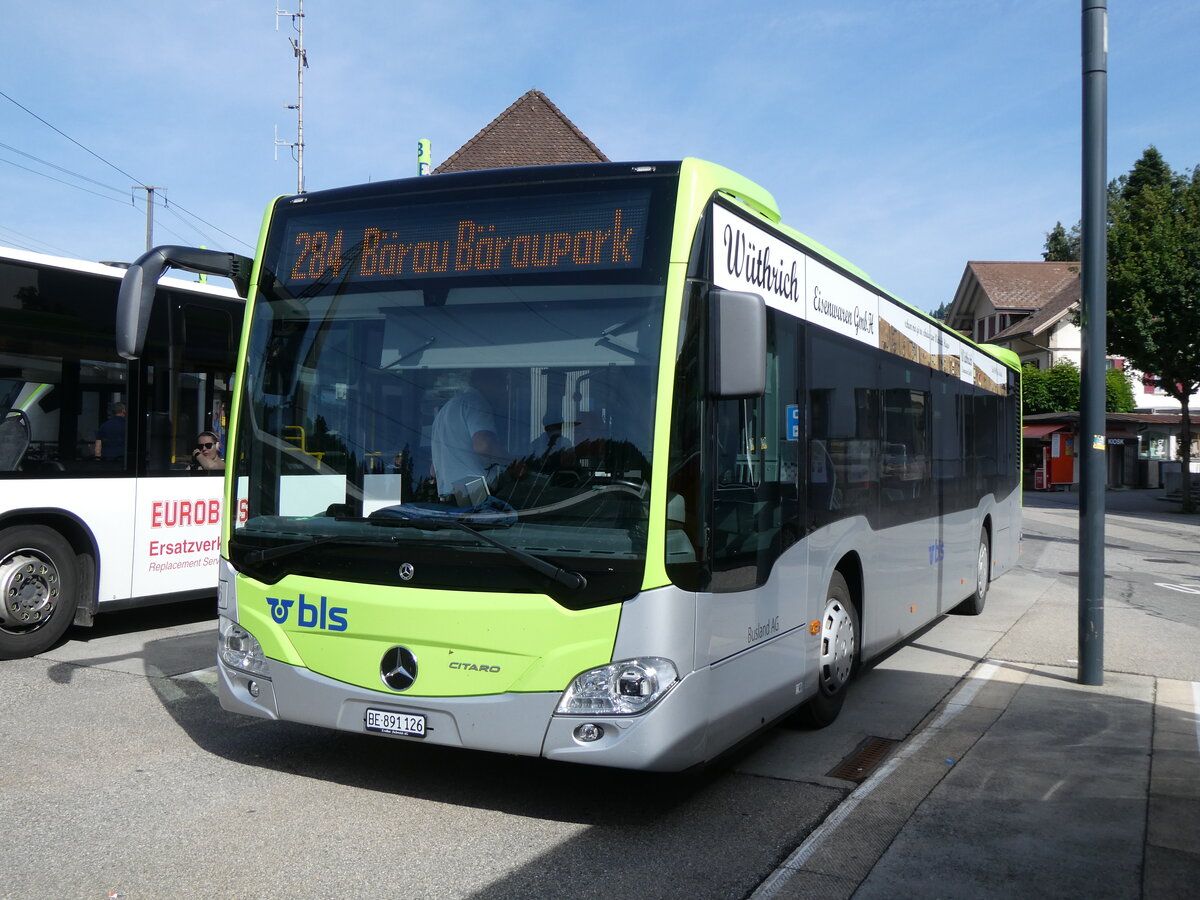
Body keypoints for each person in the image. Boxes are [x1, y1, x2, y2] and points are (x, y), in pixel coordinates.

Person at [430, 371, 506, 502]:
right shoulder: (477, 403)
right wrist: (515, 461)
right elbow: (484, 446)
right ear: (487, 382)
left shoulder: (446, 409)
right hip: (475, 490)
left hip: (449, 494)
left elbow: (433, 470)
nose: (504, 390)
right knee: (482, 521)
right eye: (502, 383)